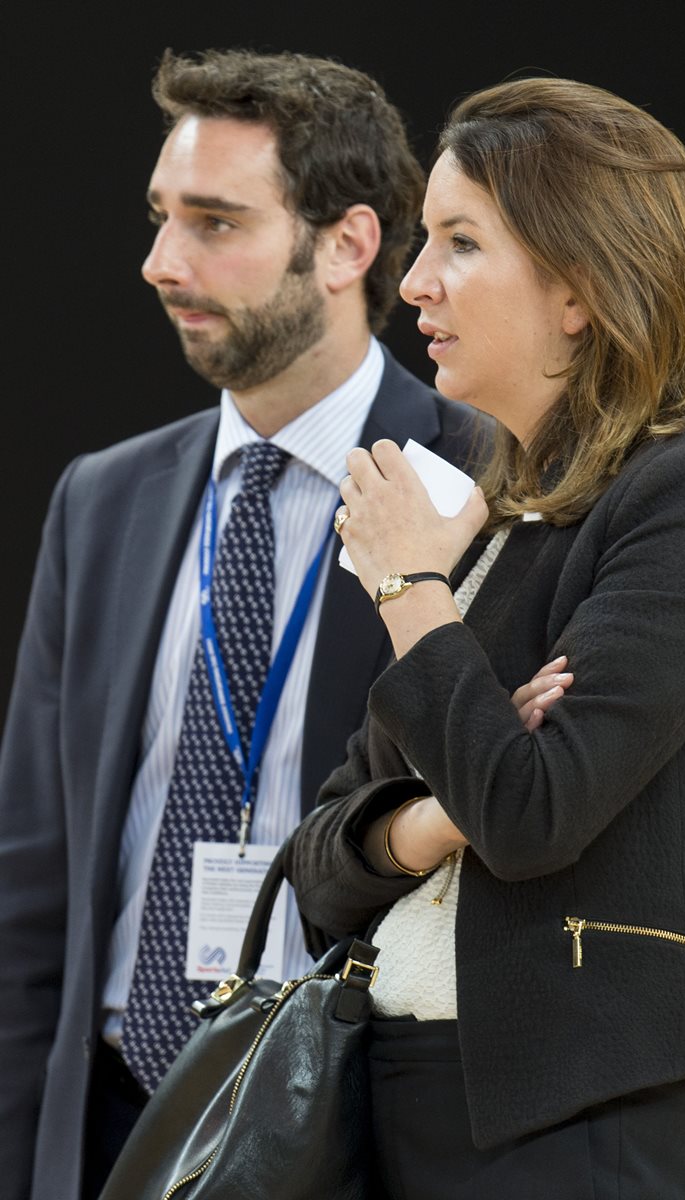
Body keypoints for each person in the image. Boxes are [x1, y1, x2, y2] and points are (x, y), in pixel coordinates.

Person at [283, 77, 685, 1198]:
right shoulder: (492, 512)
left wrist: (410, 585)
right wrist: (432, 817)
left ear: (579, 288)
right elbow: (318, 864)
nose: (412, 283)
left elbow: (527, 815)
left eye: (458, 243)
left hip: (575, 1129)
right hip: (406, 1105)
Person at [0, 48, 492, 1200]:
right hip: (114, 1120)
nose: (162, 262)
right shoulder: (102, 498)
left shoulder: (476, 476)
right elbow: (32, 877)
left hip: (347, 1123)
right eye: (163, 217)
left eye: (214, 223)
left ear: (348, 247)